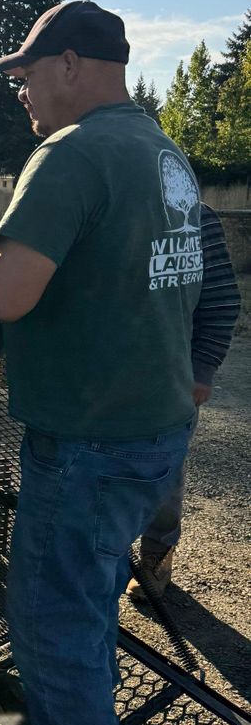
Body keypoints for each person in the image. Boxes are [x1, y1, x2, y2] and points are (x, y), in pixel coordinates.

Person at [0, 0, 201, 725]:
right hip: (154, 428)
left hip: (89, 441)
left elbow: (9, 292)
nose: (19, 90)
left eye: (26, 72)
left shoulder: (70, 153)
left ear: (72, 64)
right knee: (82, 609)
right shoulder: (163, 154)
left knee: (53, 623)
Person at [125, 202, 240, 599]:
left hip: (167, 381)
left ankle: (156, 557)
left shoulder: (193, 214)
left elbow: (222, 298)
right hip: (99, 382)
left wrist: (202, 368)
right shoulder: (90, 202)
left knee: (163, 474)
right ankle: (106, 562)